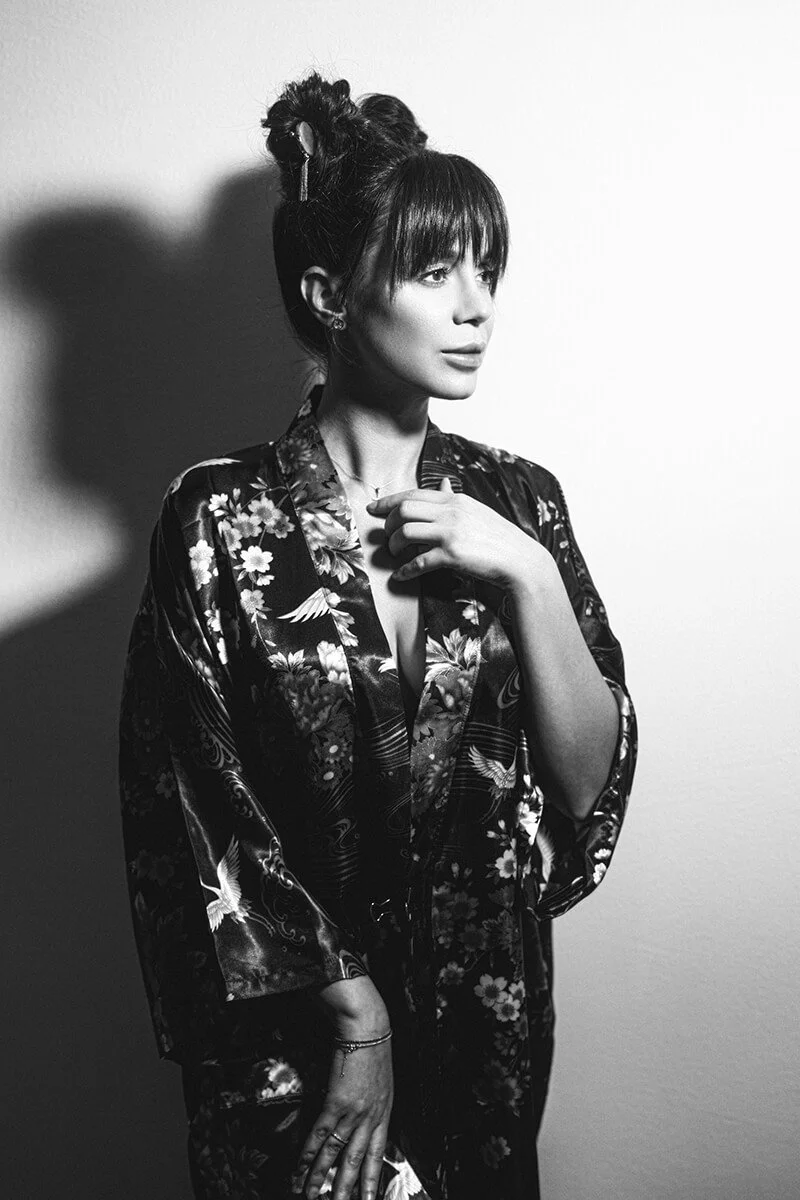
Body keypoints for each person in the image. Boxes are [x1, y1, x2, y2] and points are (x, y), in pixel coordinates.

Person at [118, 71, 638, 1200]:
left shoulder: (521, 502)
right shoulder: (214, 520)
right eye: (431, 270)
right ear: (330, 294)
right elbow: (191, 807)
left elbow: (584, 781)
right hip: (295, 1044)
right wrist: (355, 1022)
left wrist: (525, 572)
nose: (475, 307)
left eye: (485, 272)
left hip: (480, 1033)